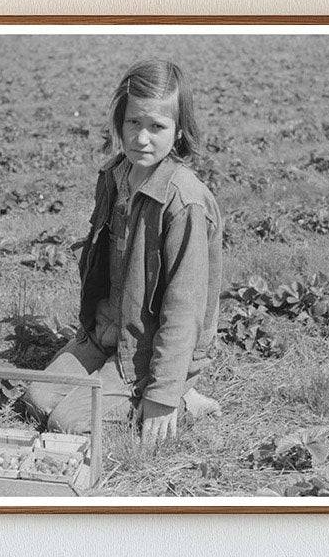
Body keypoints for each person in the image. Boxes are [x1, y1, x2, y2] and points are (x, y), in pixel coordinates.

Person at [24, 58, 223, 446]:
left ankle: (180, 396)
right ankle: (117, 377)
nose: (142, 138)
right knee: (37, 399)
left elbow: (185, 307)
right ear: (120, 120)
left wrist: (162, 396)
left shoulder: (184, 202)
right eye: (134, 123)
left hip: (146, 353)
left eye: (157, 127)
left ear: (179, 130)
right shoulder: (115, 177)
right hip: (106, 335)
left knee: (68, 423)